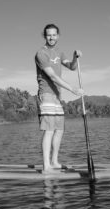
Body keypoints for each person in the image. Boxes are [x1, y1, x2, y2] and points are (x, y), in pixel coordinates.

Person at [35, 23, 84, 173]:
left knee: (59, 129)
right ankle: (46, 166)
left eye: (54, 34)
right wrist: (73, 89)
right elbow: (53, 76)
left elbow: (72, 66)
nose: (51, 37)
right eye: (48, 34)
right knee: (49, 130)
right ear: (45, 36)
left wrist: (75, 58)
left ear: (58, 36)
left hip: (57, 96)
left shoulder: (59, 53)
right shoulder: (41, 54)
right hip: (46, 94)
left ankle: (54, 161)